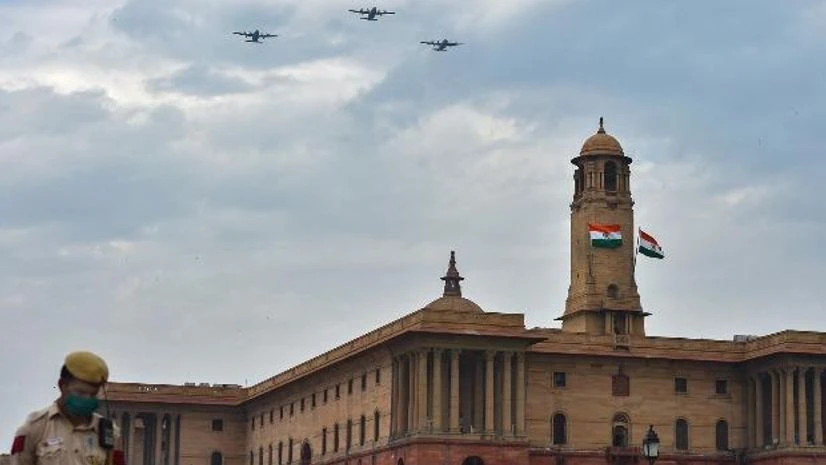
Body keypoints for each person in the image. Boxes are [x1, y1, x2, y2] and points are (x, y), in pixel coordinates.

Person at [10, 351, 125, 465]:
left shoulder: (109, 433)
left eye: (92, 394)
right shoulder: (34, 428)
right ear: (62, 385)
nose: (87, 399)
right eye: (80, 393)